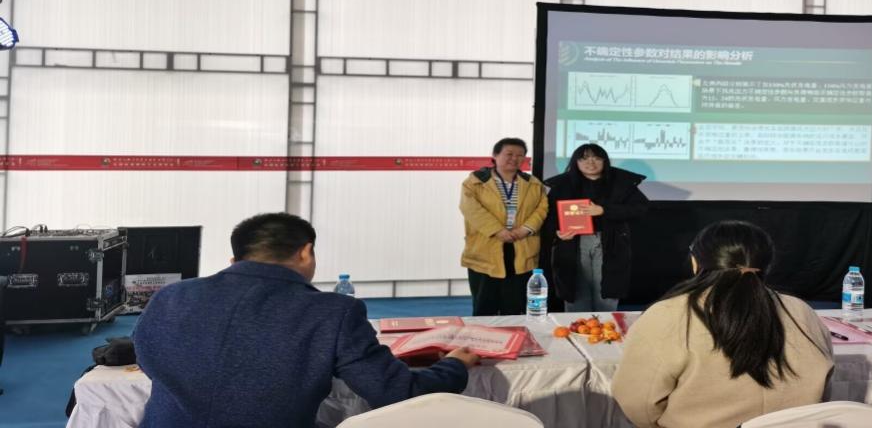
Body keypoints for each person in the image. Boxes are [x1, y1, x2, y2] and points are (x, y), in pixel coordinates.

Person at [134, 212, 479, 427]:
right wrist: (455, 365)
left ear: (234, 260)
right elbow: (397, 393)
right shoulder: (334, 312)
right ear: (306, 252)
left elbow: (148, 359)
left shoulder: (171, 296)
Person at [611, 220, 833, 428]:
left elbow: (636, 402)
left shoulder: (668, 315)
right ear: (768, 264)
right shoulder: (801, 311)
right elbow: (823, 390)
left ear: (695, 262)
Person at [542, 143, 648, 312]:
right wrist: (557, 231)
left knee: (607, 290)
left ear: (605, 161)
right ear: (576, 162)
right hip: (573, 242)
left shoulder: (621, 181)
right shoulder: (563, 184)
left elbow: (640, 208)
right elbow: (549, 214)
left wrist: (604, 210)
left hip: (609, 241)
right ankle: (577, 325)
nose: (590, 162)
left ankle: (605, 326)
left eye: (596, 158)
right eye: (584, 158)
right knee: (576, 289)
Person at [460, 138, 548, 316]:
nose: (514, 158)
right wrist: (497, 231)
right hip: (487, 248)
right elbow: (471, 209)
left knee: (515, 306)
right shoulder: (475, 181)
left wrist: (525, 229)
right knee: (484, 306)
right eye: (509, 154)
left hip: (521, 247)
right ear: (495, 155)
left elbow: (542, 208)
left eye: (520, 155)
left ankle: (514, 333)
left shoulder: (533, 183)